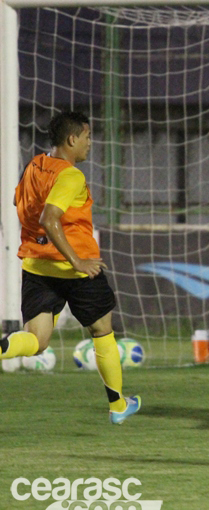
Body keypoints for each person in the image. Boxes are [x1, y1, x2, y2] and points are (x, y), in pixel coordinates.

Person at [0, 110, 140, 424]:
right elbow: (49, 219)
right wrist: (77, 260)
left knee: (36, 341)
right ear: (72, 139)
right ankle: (118, 406)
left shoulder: (34, 164)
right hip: (75, 269)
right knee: (102, 331)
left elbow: (16, 201)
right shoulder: (71, 175)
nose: (90, 143)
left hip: (37, 266)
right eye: (88, 137)